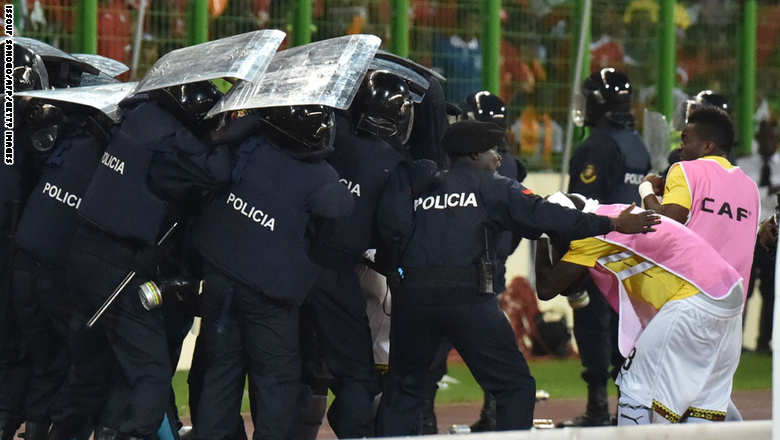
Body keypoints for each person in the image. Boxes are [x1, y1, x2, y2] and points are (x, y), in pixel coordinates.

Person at [375, 120, 659, 435]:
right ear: (474, 154)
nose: (499, 157)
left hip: (412, 299)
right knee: (515, 387)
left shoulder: (421, 186)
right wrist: (612, 224)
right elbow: (549, 216)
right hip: (467, 298)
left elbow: (390, 230)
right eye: (492, 149)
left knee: (403, 391)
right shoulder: (492, 186)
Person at [536, 192, 744, 424]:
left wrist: (541, 234)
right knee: (703, 401)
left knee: (635, 387)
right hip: (728, 295)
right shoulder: (613, 214)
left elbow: (547, 288)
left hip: (694, 299)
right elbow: (569, 285)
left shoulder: (592, 234)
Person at [563, 67, 651, 427]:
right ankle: (629, 410)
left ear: (598, 102)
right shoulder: (638, 145)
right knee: (626, 333)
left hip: (598, 253)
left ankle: (597, 407)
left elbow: (581, 207)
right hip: (634, 257)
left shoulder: (596, 146)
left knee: (592, 327)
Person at [641, 106, 760, 300]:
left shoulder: (685, 170)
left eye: (685, 140)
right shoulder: (751, 188)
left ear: (707, 147)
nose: (680, 147)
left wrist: (646, 188)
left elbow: (663, 223)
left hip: (687, 297)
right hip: (731, 304)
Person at [738, 118, 779, 353]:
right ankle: (737, 340)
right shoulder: (743, 165)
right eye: (764, 137)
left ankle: (766, 341)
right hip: (748, 235)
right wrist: (770, 190)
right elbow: (744, 194)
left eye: (772, 137)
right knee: (744, 289)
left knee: (772, 291)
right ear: (757, 138)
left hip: (774, 236)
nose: (768, 142)